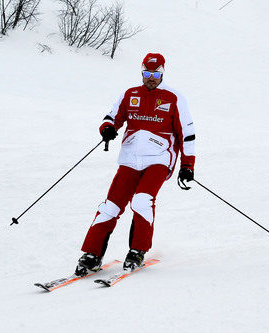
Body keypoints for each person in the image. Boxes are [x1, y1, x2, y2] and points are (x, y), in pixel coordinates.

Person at [75, 53, 196, 275]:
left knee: (142, 200)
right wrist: (108, 129)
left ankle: (137, 251)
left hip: (160, 159)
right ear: (142, 72)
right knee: (110, 205)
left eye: (156, 74)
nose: (151, 78)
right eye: (147, 74)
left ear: (162, 73)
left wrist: (187, 166)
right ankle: (92, 254)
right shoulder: (130, 94)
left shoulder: (174, 97)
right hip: (130, 159)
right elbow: (111, 118)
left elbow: (187, 134)